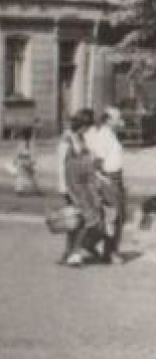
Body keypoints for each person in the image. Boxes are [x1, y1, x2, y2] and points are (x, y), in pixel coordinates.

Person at [57, 108, 105, 267]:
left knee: (75, 221)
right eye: (87, 126)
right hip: (71, 185)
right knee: (84, 219)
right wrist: (64, 187)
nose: (88, 130)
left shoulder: (79, 137)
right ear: (82, 125)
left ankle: (69, 253)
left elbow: (86, 157)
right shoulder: (67, 138)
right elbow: (61, 164)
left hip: (80, 185)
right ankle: (74, 254)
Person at [89, 108, 127, 264]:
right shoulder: (104, 136)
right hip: (109, 180)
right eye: (118, 118)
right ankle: (110, 252)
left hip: (115, 179)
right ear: (108, 120)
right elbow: (97, 162)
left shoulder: (111, 134)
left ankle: (108, 250)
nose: (120, 120)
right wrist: (104, 180)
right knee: (113, 217)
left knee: (117, 217)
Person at [8, 123, 42, 196]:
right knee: (31, 176)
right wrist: (33, 161)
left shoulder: (21, 143)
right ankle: (36, 189)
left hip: (21, 161)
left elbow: (17, 152)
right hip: (27, 160)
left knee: (21, 176)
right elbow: (33, 152)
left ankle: (19, 189)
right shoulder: (31, 143)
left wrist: (14, 160)